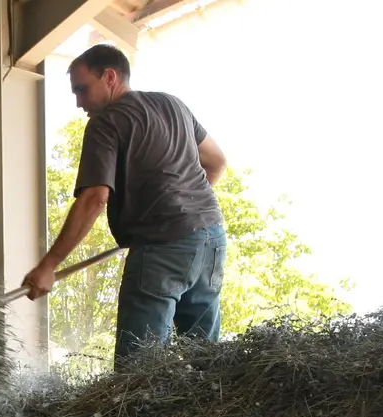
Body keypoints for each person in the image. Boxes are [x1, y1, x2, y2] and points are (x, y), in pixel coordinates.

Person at [21, 44, 229, 362]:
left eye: (82, 89)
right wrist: (186, 210)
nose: (78, 102)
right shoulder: (173, 105)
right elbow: (215, 162)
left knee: (139, 371)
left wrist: (48, 266)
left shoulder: (107, 122)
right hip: (211, 239)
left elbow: (95, 198)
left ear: (110, 77)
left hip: (161, 247)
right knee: (205, 361)